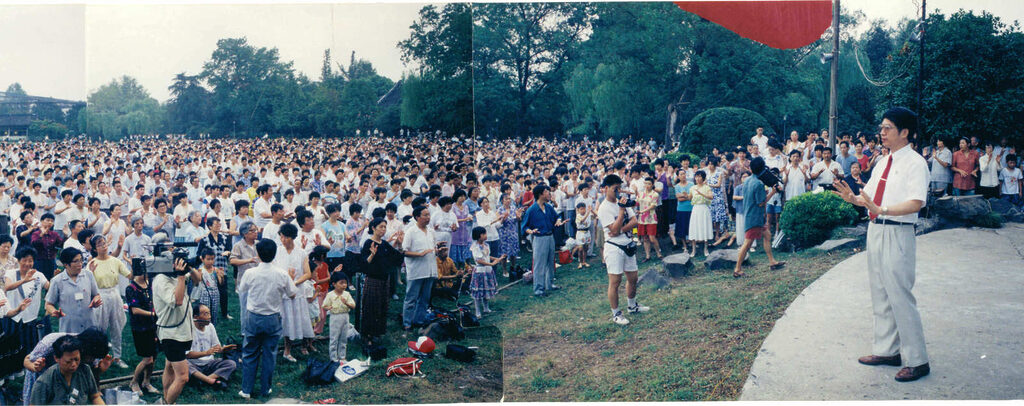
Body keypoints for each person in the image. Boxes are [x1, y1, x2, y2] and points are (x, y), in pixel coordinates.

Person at [834, 107, 931, 383]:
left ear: (905, 132)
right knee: (880, 292)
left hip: (898, 232)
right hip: (876, 230)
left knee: (900, 294)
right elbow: (869, 198)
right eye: (882, 127)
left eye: (888, 127)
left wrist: (882, 209)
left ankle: (918, 360)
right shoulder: (882, 162)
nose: (882, 132)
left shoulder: (915, 163)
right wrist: (854, 199)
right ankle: (887, 351)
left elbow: (916, 203)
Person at [236, 238, 297, 399]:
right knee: (270, 353)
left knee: (250, 352)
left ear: (258, 253)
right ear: (275, 254)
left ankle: (246, 390)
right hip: (272, 317)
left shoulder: (250, 273)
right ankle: (266, 388)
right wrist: (291, 278)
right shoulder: (282, 274)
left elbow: (242, 289)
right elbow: (292, 293)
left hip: (254, 316)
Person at [597, 174, 650, 326]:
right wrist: (621, 212)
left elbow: (634, 221)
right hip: (614, 247)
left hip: (627, 243)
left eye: (619, 188)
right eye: (615, 188)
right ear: (606, 188)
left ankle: (632, 306)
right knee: (615, 281)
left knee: (633, 278)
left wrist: (620, 229)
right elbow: (612, 230)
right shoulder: (604, 208)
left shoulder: (623, 201)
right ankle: (616, 313)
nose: (618, 191)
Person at [20, 328, 112, 406]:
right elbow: (27, 360)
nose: (92, 360)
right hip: (41, 374)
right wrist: (35, 367)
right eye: (69, 361)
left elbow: (92, 381)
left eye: (77, 359)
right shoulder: (49, 343)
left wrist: (100, 369)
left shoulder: (90, 354)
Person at [152, 255, 196, 405]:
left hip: (180, 331)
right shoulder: (161, 280)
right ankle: (167, 403)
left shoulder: (176, 276)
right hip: (171, 334)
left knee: (170, 366)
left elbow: (198, 279)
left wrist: (191, 266)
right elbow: (177, 300)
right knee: (183, 377)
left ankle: (166, 396)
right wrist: (181, 276)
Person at [732, 157, 786, 278]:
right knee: (747, 244)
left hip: (752, 214)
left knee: (767, 235)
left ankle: (772, 262)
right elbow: (761, 203)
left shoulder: (748, 180)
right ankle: (737, 269)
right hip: (755, 217)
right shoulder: (759, 184)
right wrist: (772, 192)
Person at [85, 235, 131, 369]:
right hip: (101, 295)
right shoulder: (92, 264)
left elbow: (129, 275)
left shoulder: (115, 261)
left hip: (114, 294)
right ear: (95, 249)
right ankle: (99, 357)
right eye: (99, 244)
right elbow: (87, 284)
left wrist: (135, 266)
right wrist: (91, 273)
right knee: (101, 327)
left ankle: (117, 357)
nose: (103, 246)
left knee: (117, 326)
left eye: (104, 243)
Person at [274, 223, 314, 361]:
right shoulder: (278, 251)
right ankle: (286, 349)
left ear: (292, 237)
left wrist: (294, 283)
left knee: (298, 318)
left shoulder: (301, 252)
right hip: (281, 291)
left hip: (297, 291)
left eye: (285, 237)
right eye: (281, 237)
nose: (283, 240)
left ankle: (302, 345)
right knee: (285, 319)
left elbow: (307, 273)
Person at [360, 217, 402, 344]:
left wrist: (399, 244)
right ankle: (367, 335)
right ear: (373, 228)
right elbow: (364, 264)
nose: (383, 229)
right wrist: (372, 255)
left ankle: (377, 332)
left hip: (384, 280)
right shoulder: (368, 243)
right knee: (371, 307)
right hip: (373, 280)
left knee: (382, 306)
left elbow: (397, 257)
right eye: (381, 227)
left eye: (385, 227)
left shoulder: (384, 244)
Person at [520, 185, 567, 297]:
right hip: (539, 238)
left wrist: (558, 221)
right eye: (546, 192)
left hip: (550, 236)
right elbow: (524, 226)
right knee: (539, 264)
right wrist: (530, 231)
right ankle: (538, 289)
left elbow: (557, 217)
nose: (549, 194)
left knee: (551, 262)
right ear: (540, 194)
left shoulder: (548, 207)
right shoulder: (532, 210)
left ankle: (549, 284)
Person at [45, 248, 101, 334]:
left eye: (81, 260)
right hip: (69, 327)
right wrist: (54, 311)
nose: (80, 264)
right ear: (66, 264)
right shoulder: (57, 281)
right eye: (76, 261)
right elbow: (48, 304)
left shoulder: (88, 275)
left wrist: (96, 301)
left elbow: (96, 294)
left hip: (89, 324)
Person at [401, 206, 438, 330]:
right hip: (416, 270)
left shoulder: (431, 231)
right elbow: (404, 251)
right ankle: (407, 322)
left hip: (430, 269)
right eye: (425, 215)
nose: (428, 217)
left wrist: (439, 250)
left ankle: (419, 320)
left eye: (429, 215)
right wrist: (419, 254)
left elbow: (433, 248)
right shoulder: (411, 232)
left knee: (425, 298)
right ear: (417, 217)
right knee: (411, 297)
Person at [185, 304, 237, 390]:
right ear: (196, 317)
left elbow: (216, 347)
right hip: (194, 365)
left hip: (209, 364)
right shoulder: (188, 329)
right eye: (205, 314)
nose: (209, 316)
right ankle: (210, 381)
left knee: (231, 364)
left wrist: (223, 349)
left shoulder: (210, 326)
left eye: (209, 313)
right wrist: (206, 353)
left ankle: (203, 380)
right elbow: (187, 354)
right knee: (184, 364)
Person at [125, 268, 158, 396]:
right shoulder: (131, 288)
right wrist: (153, 314)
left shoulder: (150, 284)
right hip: (140, 328)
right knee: (147, 358)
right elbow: (135, 310)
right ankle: (134, 382)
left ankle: (146, 381)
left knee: (153, 356)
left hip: (153, 325)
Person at [229, 222, 259, 332]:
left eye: (256, 230)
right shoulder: (238, 246)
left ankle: (256, 329)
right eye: (252, 231)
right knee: (245, 307)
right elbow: (232, 261)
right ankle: (245, 331)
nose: (255, 232)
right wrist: (248, 260)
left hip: (258, 281)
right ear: (245, 234)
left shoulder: (258, 244)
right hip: (245, 282)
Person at [322, 272, 356, 362]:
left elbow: (353, 306)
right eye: (341, 283)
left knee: (343, 337)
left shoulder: (347, 294)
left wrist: (346, 303)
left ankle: (342, 357)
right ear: (334, 284)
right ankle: (333, 358)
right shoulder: (330, 295)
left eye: (345, 283)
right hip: (335, 317)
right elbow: (324, 306)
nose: (344, 285)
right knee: (334, 338)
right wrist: (328, 308)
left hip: (345, 316)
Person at [469, 226, 502, 319]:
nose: (486, 235)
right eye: (484, 234)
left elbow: (487, 256)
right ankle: (477, 311)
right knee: (478, 291)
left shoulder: (486, 245)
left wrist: (496, 259)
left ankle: (486, 308)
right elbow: (479, 260)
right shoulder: (475, 247)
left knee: (486, 290)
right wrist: (491, 264)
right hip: (480, 272)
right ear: (479, 236)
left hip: (487, 271)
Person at [688, 171, 715, 256]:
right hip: (695, 209)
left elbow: (711, 197)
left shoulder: (707, 188)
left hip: (704, 208)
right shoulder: (692, 188)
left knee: (705, 226)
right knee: (694, 227)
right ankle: (693, 250)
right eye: (696, 176)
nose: (697, 178)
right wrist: (685, 195)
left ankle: (705, 249)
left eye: (699, 176)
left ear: (703, 178)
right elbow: (690, 198)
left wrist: (701, 194)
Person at [636, 177, 662, 262]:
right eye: (646, 183)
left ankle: (659, 253)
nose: (647, 185)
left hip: (651, 218)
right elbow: (637, 202)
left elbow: (653, 206)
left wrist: (642, 211)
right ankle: (647, 256)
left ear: (652, 185)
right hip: (642, 219)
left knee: (652, 237)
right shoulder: (640, 193)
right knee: (645, 238)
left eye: (649, 184)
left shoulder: (655, 194)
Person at [674, 170, 693, 255]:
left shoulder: (691, 184)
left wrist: (684, 196)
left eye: (684, 174)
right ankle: (684, 246)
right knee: (682, 228)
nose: (683, 175)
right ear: (678, 176)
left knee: (691, 227)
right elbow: (679, 199)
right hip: (681, 209)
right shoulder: (677, 186)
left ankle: (692, 243)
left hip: (691, 208)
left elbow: (692, 197)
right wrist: (687, 196)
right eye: (681, 174)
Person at [572, 202, 593, 269]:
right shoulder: (578, 216)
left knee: (586, 248)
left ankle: (584, 261)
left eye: (584, 209)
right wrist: (588, 213)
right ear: (578, 210)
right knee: (580, 249)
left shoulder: (588, 214)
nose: (583, 210)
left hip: (587, 232)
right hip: (580, 233)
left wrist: (591, 211)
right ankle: (580, 262)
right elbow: (581, 221)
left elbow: (594, 216)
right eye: (581, 209)